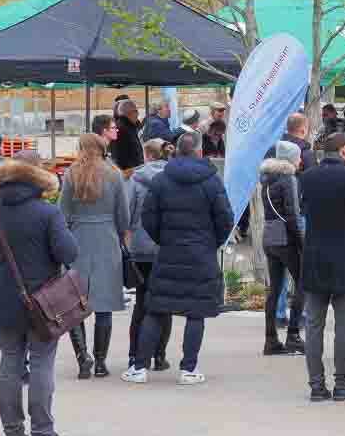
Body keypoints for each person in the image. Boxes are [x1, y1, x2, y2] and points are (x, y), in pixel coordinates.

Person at [0, 156, 78, 436]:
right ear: (37, 180)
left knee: (10, 365)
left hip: (4, 299)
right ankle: (43, 432)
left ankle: (13, 433)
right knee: (41, 363)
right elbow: (69, 252)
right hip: (44, 302)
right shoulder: (47, 212)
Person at [122, 133, 233, 385]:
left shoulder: (162, 180)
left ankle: (139, 367)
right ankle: (188, 369)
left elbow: (148, 218)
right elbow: (225, 218)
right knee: (196, 312)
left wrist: (164, 239)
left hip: (169, 251)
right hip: (201, 253)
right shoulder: (211, 181)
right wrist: (210, 242)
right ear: (199, 151)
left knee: (156, 308)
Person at [301, 132, 345, 402]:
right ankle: (342, 384)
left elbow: (304, 213)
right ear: (343, 151)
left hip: (315, 258)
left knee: (314, 324)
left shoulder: (307, 177)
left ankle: (316, 385)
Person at [60, 134, 129, 380]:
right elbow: (124, 214)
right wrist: (121, 234)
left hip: (78, 237)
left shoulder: (71, 174)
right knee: (104, 304)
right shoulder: (114, 173)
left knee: (74, 303)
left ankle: (82, 357)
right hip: (107, 237)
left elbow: (62, 211)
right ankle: (100, 361)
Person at [126, 139, 172, 373]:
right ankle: (159, 355)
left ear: (146, 155)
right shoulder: (173, 177)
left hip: (140, 247)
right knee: (164, 303)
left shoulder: (135, 179)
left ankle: (135, 354)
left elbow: (127, 212)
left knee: (141, 303)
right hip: (165, 247)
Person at [260, 140, 306, 357]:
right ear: (290, 159)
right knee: (303, 283)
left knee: (275, 289)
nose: (301, 160)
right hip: (286, 238)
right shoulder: (289, 179)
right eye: (298, 157)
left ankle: (270, 339)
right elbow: (292, 214)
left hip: (269, 236)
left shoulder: (267, 179)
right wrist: (301, 242)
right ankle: (294, 335)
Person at [110, 99, 144, 170]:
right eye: (136, 111)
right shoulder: (121, 129)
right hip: (129, 174)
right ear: (128, 112)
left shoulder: (129, 127)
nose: (138, 114)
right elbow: (120, 157)